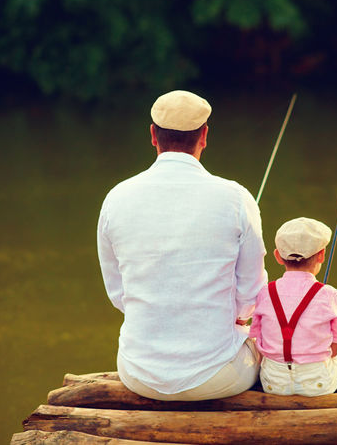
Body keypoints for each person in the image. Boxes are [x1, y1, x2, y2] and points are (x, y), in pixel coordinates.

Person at [97, 90, 268, 401]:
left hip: (138, 373)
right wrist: (236, 316)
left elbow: (119, 294)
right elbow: (251, 296)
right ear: (204, 135)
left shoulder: (116, 198)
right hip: (219, 375)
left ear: (152, 135)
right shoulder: (236, 197)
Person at [249, 217, 337, 396]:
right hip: (317, 384)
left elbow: (257, 337)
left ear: (277, 256)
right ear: (322, 255)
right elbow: (336, 348)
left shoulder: (265, 292)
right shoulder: (330, 294)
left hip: (273, 384)